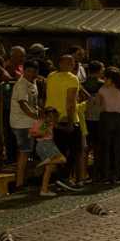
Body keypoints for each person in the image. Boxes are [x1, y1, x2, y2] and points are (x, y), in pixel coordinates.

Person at [45, 54, 82, 192]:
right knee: (74, 151)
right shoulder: (72, 78)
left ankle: (60, 179)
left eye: (72, 63)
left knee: (59, 151)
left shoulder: (51, 76)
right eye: (70, 63)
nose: (72, 65)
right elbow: (70, 102)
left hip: (52, 119)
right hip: (67, 118)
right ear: (61, 63)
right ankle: (65, 178)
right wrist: (71, 122)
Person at [97, 68, 120, 184]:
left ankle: (105, 175)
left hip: (106, 118)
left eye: (105, 78)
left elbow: (99, 105)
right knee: (119, 148)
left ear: (110, 79)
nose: (104, 80)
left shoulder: (102, 90)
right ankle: (118, 175)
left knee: (105, 148)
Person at [10, 61, 41, 193]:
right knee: (24, 152)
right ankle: (19, 184)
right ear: (24, 71)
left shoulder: (33, 82)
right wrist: (37, 116)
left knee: (27, 153)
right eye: (29, 71)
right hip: (22, 123)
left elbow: (33, 103)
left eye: (34, 71)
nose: (31, 74)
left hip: (29, 122)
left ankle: (25, 180)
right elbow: (23, 104)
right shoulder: (21, 84)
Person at [82, 61, 104, 183]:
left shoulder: (82, 84)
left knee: (85, 148)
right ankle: (96, 173)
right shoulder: (102, 85)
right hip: (99, 118)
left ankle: (83, 173)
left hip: (85, 117)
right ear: (99, 70)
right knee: (98, 147)